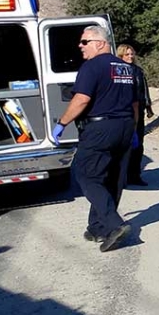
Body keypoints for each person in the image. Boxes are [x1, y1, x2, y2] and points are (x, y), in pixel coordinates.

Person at [51, 25, 137, 253]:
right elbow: (134, 102)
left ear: (99, 43)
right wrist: (134, 130)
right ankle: (98, 226)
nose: (80, 46)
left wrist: (61, 124)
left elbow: (81, 99)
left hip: (100, 128)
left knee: (86, 175)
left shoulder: (92, 66)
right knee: (111, 178)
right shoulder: (125, 68)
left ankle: (115, 225)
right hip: (125, 125)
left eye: (84, 41)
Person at [117, 44, 154, 187]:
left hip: (138, 111)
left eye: (132, 54)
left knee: (138, 145)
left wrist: (148, 106)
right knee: (121, 146)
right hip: (122, 112)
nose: (130, 57)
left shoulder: (138, 71)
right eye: (127, 54)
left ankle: (135, 176)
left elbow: (144, 90)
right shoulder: (117, 71)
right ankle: (120, 177)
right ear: (121, 55)